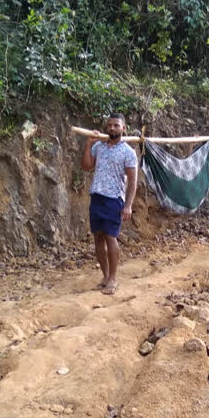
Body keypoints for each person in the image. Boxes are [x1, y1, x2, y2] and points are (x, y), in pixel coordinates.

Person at [80, 113, 138, 294]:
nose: (112, 128)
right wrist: (89, 144)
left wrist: (128, 205)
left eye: (116, 125)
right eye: (110, 125)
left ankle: (113, 278)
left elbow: (133, 180)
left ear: (123, 128)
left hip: (114, 200)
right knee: (98, 237)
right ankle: (105, 276)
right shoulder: (99, 146)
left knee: (110, 238)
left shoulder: (128, 152)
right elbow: (86, 166)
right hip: (96, 197)